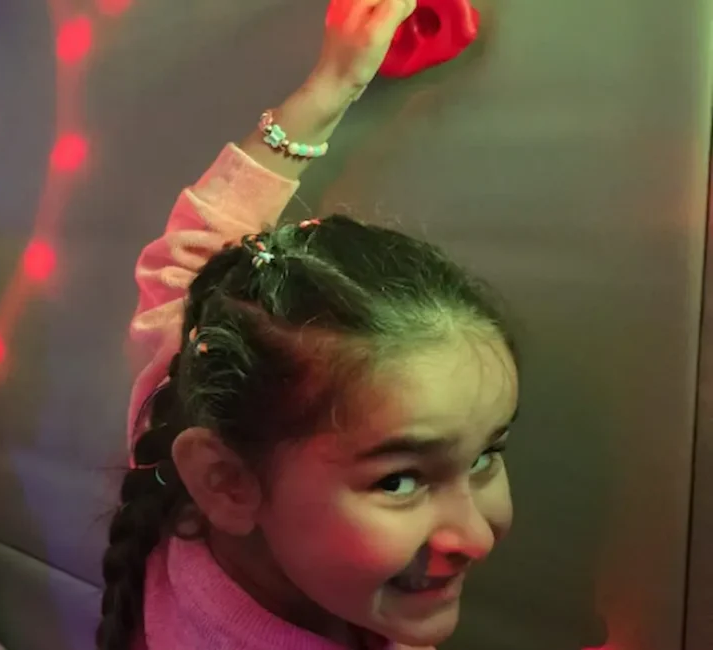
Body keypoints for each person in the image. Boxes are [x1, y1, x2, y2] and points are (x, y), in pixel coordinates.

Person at [99, 0, 519, 648]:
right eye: (399, 480)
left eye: (487, 455)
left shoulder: (176, 412)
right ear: (227, 482)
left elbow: (191, 251)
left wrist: (331, 86)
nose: (479, 535)